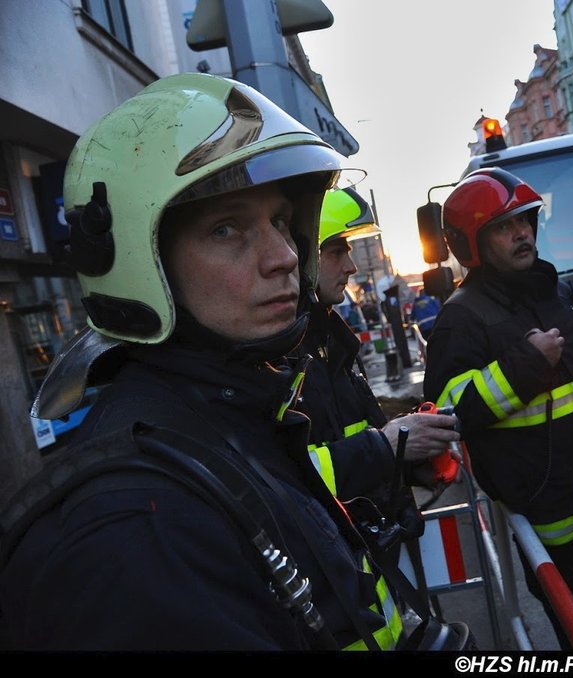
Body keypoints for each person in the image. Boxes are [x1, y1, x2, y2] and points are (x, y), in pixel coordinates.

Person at [0, 73, 462, 651]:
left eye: (277, 221)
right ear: (146, 262)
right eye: (226, 229)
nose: (286, 256)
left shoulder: (236, 414)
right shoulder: (138, 529)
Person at [422, 167, 573, 650]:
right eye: (505, 227)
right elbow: (446, 414)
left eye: (526, 221)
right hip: (562, 535)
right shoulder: (461, 322)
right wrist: (521, 369)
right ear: (471, 244)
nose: (523, 233)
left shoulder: (564, 294)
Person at [298, 185, 460, 504]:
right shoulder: (283, 361)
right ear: (302, 256)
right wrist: (389, 445)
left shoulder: (329, 343)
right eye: (336, 252)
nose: (352, 267)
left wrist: (409, 461)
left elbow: (351, 442)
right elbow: (291, 481)